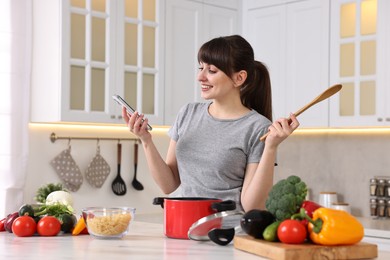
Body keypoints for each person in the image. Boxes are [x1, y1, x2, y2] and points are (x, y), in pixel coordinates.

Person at [122, 35, 299, 212]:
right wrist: (145, 140)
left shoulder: (258, 127)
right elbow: (169, 185)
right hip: (183, 227)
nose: (200, 77)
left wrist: (270, 148)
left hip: (225, 234)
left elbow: (252, 206)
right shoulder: (188, 113)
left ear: (239, 78)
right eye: (201, 68)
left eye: (211, 71)